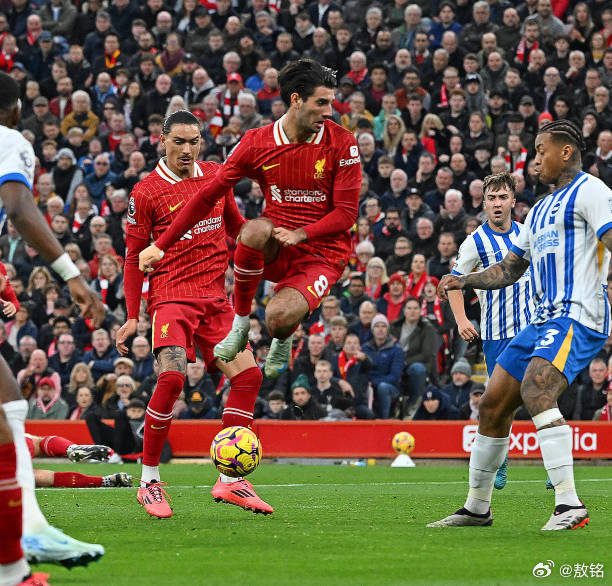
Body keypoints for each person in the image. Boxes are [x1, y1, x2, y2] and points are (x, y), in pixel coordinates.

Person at [431, 120, 612, 531]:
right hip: (542, 319)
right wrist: (466, 279)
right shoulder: (542, 209)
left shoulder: (593, 192)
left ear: (565, 151)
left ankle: (569, 505)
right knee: (493, 403)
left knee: (536, 388)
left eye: (540, 151)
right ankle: (477, 507)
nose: (534, 162)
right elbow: (512, 267)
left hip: (578, 314)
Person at [138, 59, 361, 383]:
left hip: (322, 253)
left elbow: (346, 214)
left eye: (330, 102)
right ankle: (240, 323)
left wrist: (302, 233)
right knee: (253, 229)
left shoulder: (342, 142)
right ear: (296, 99)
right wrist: (161, 245)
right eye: (321, 102)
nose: (329, 111)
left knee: (278, 320)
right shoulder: (258, 142)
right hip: (275, 245)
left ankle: (282, 337)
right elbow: (206, 196)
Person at [116, 109, 271, 519]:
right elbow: (133, 258)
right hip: (171, 298)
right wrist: (132, 316)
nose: (188, 149)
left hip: (215, 300)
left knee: (249, 375)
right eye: (179, 141)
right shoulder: (145, 192)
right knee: (171, 377)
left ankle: (230, 479)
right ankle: (149, 481)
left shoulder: (217, 178)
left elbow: (236, 228)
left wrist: (270, 242)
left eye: (195, 141)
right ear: (162, 141)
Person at [0, 70, 104, 585]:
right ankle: (25, 546)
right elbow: (19, 208)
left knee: (9, 408)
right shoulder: (9, 139)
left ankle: (20, 558)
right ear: (17, 110)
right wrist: (73, 277)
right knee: (8, 412)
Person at [447, 171, 534, 490]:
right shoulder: (475, 242)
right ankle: (501, 458)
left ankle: (555, 468)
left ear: (514, 200)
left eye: (503, 197)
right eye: (491, 198)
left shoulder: (528, 233)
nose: (497, 204)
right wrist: (462, 320)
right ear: (484, 203)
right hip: (496, 334)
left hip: (532, 328)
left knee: (542, 393)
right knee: (501, 404)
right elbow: (453, 283)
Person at [24, 433, 131, 488]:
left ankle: (107, 481)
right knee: (40, 443)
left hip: (8, 459)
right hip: (19, 442)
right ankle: (70, 448)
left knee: (39, 478)